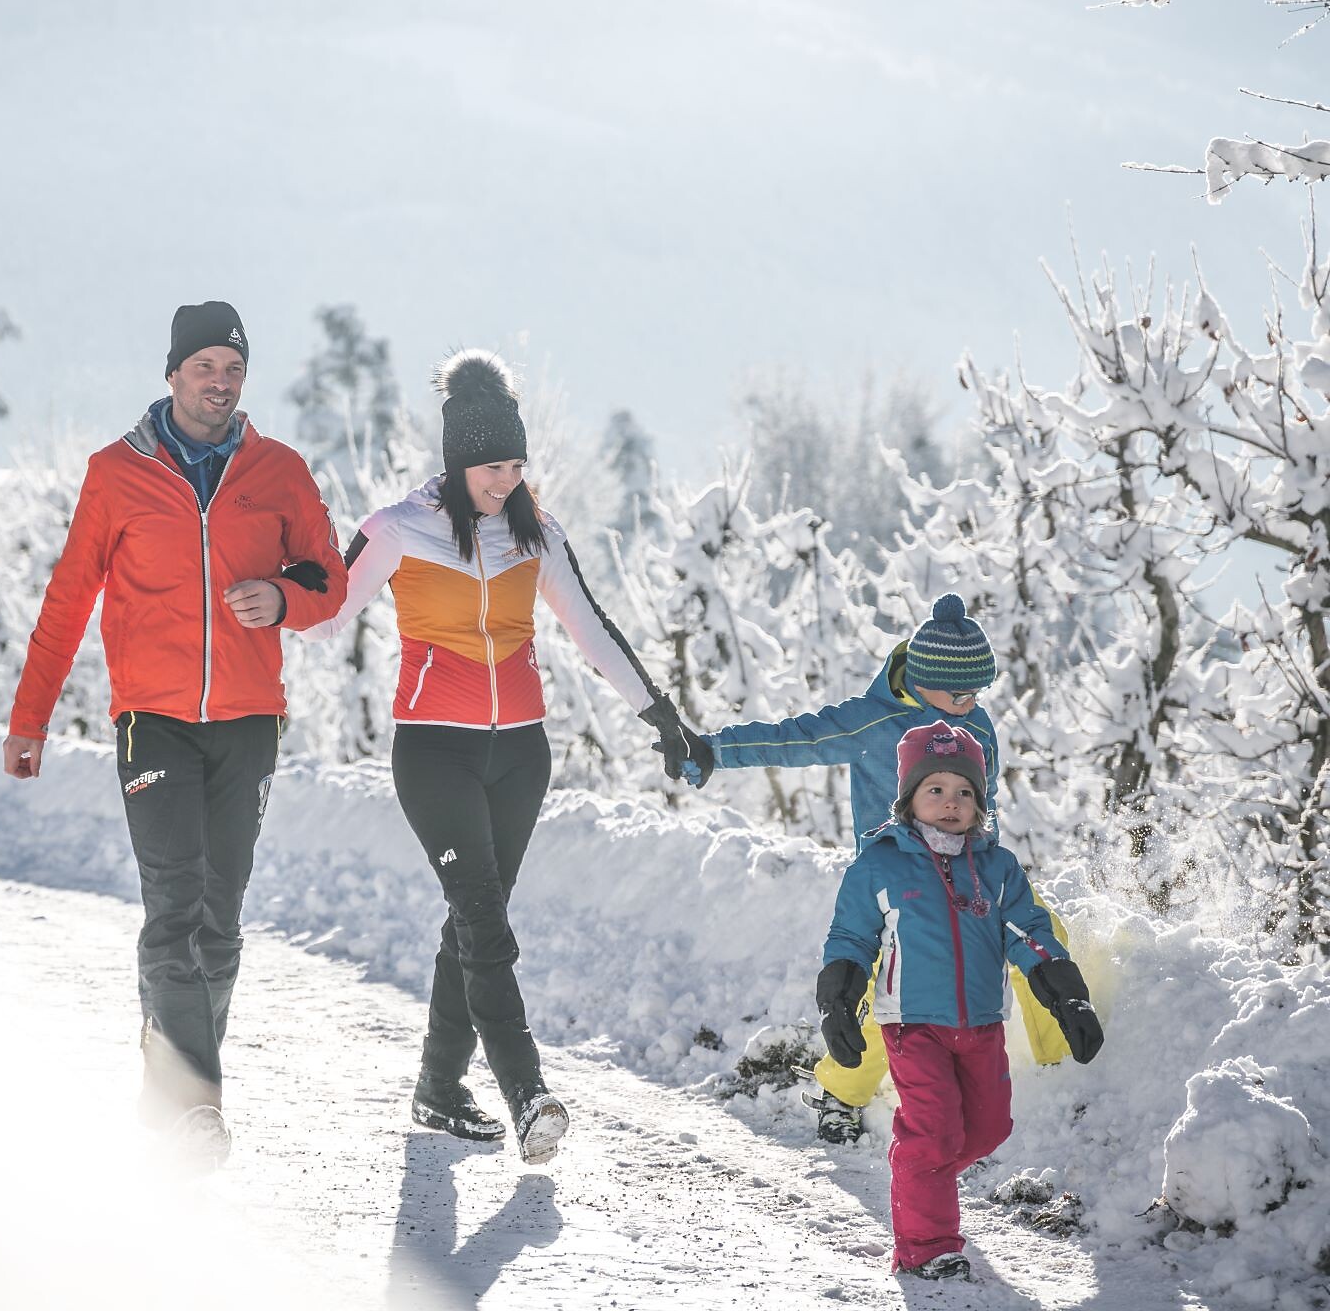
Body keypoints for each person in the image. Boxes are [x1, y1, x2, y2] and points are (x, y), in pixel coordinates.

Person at [299, 349, 713, 1164]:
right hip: (434, 752)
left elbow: (593, 631)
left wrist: (664, 719)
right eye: (494, 467)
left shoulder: (536, 533)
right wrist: (281, 584)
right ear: (459, 462)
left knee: (476, 916)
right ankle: (527, 1094)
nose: (508, 480)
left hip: (521, 755)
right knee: (484, 920)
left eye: (518, 464)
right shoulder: (398, 529)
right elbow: (324, 613)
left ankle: (439, 1087)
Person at [2, 300, 346, 1166]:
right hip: (151, 722)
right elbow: (68, 600)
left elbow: (330, 581)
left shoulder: (279, 471)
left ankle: (171, 1075)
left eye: (233, 371)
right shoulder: (115, 473)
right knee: (174, 905)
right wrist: (29, 718)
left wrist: (283, 601)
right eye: (205, 369)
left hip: (247, 724)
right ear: (172, 375)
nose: (220, 385)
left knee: (220, 920)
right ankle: (197, 1106)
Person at [692, 593, 1073, 1144]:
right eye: (959, 690)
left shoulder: (976, 723)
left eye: (977, 691)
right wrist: (714, 751)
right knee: (888, 985)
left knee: (1038, 933)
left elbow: (978, 800)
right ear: (923, 678)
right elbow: (796, 738)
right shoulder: (875, 721)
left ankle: (1063, 1073)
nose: (970, 701)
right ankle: (842, 1093)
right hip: (898, 875)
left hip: (969, 867)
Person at [818, 720, 1103, 1281]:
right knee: (934, 1134)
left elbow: (1029, 935)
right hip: (911, 1025)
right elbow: (851, 938)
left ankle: (918, 1170)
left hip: (981, 1025)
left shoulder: (996, 868)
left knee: (989, 1129)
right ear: (909, 798)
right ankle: (927, 1246)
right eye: (936, 789)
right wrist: (839, 1002)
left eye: (964, 792)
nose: (951, 803)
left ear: (980, 801)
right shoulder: (881, 864)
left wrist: (1067, 996)